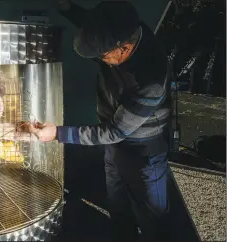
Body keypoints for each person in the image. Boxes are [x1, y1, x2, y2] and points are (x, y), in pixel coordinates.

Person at [19, 0, 172, 241]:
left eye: (103, 56)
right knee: (118, 206)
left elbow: (114, 131)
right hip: (115, 146)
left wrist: (57, 133)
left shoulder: (150, 79)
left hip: (144, 151)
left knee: (153, 217)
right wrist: (66, 8)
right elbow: (93, 27)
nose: (100, 60)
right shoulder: (124, 28)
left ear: (123, 49)